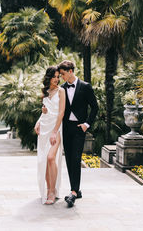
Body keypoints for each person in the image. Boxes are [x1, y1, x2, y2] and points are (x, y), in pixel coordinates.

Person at [57, 60, 98, 208]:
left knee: (76, 158)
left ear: (70, 71)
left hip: (79, 128)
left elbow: (95, 107)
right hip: (66, 128)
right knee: (68, 159)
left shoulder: (85, 87)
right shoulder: (61, 88)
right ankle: (76, 189)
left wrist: (87, 125)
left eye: (62, 74)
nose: (61, 77)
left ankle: (73, 192)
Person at [34, 66, 65, 205]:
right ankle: (48, 190)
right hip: (44, 128)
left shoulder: (61, 91)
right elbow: (45, 111)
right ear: (49, 77)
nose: (57, 80)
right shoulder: (46, 92)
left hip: (56, 128)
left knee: (51, 157)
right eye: (54, 77)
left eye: (58, 77)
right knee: (45, 160)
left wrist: (54, 131)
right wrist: (38, 121)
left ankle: (53, 191)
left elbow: (61, 113)